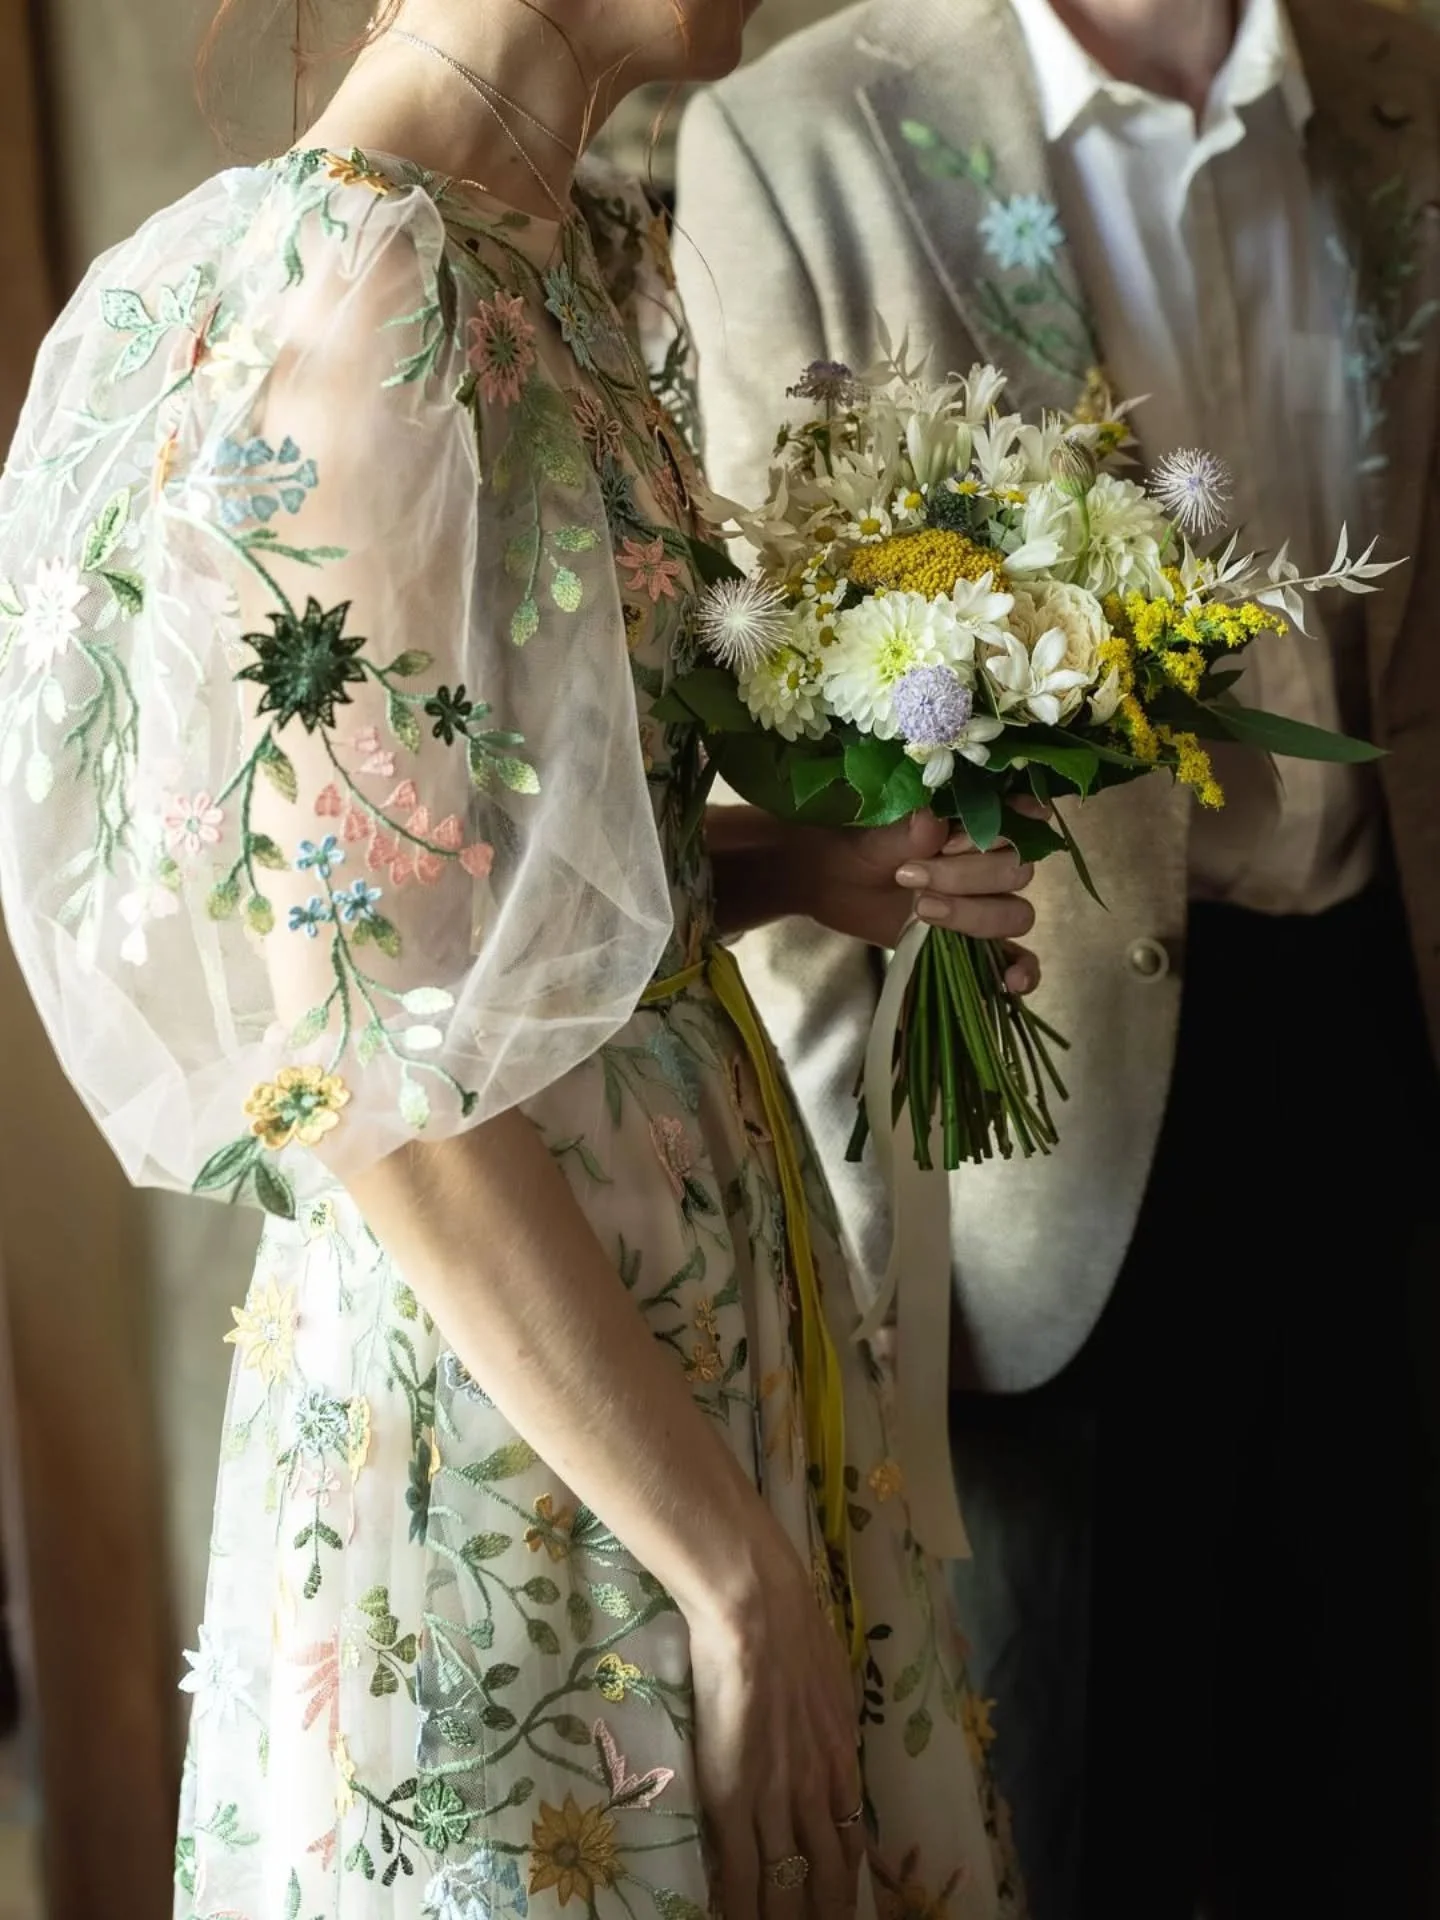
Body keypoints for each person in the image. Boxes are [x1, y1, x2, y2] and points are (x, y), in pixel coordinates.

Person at [0, 1, 1053, 1916]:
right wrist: (722, 1564)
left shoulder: (541, 253)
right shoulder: (370, 300)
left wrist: (787, 866)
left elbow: (482, 893)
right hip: (530, 1395)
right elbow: (351, 1054)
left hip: (695, 1297)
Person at [674, 0, 1440, 1915]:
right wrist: (881, 1249)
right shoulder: (801, 136)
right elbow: (772, 716)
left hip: (1389, 1038)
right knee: (1100, 1819)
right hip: (1045, 1106)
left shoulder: (1399, 84)